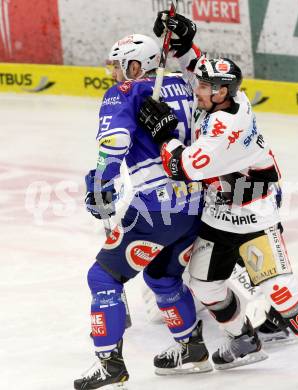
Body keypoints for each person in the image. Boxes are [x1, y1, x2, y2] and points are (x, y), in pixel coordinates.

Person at [138, 12, 298, 382]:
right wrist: (182, 43)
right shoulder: (230, 98)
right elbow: (196, 68)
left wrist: (165, 133)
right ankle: (243, 339)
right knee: (205, 286)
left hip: (254, 215)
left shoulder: (226, 131)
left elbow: (180, 167)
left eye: (202, 86)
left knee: (279, 289)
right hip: (219, 215)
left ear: (219, 93)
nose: (194, 88)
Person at [74, 32, 214, 390]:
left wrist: (102, 185)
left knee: (103, 277)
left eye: (120, 67)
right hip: (195, 203)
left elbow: (115, 143)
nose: (116, 75)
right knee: (161, 277)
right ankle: (191, 348)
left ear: (135, 65)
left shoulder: (125, 92)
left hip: (156, 206)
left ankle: (109, 365)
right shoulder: (184, 86)